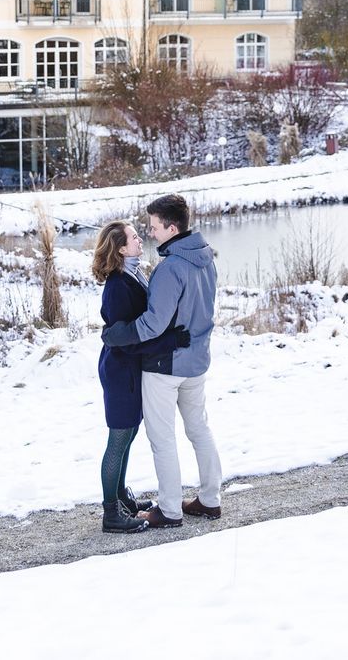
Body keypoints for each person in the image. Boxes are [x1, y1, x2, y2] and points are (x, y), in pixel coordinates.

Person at [102, 194, 223, 528]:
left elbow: (153, 324)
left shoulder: (170, 268)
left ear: (171, 228)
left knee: (163, 439)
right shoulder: (206, 258)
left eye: (154, 226)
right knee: (199, 429)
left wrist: (118, 334)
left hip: (165, 366)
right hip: (197, 362)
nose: (151, 233)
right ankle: (210, 499)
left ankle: (169, 509)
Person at [92, 219, 190, 535]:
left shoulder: (133, 273)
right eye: (134, 237)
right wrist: (169, 341)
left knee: (129, 434)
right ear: (121, 248)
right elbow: (128, 340)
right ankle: (111, 514)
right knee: (118, 439)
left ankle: (121, 497)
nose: (139, 239)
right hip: (121, 372)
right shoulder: (117, 286)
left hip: (130, 370)